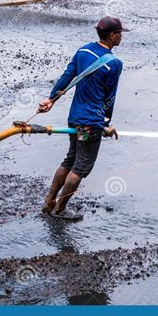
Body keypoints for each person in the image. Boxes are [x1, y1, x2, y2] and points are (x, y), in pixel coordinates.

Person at [38, 16, 128, 220]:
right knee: (80, 167)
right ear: (112, 35)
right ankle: (60, 209)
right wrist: (105, 124)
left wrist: (51, 100)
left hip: (75, 116)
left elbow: (67, 76)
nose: (122, 37)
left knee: (70, 159)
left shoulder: (83, 51)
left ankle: (49, 201)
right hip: (90, 122)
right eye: (120, 33)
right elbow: (109, 98)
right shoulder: (114, 64)